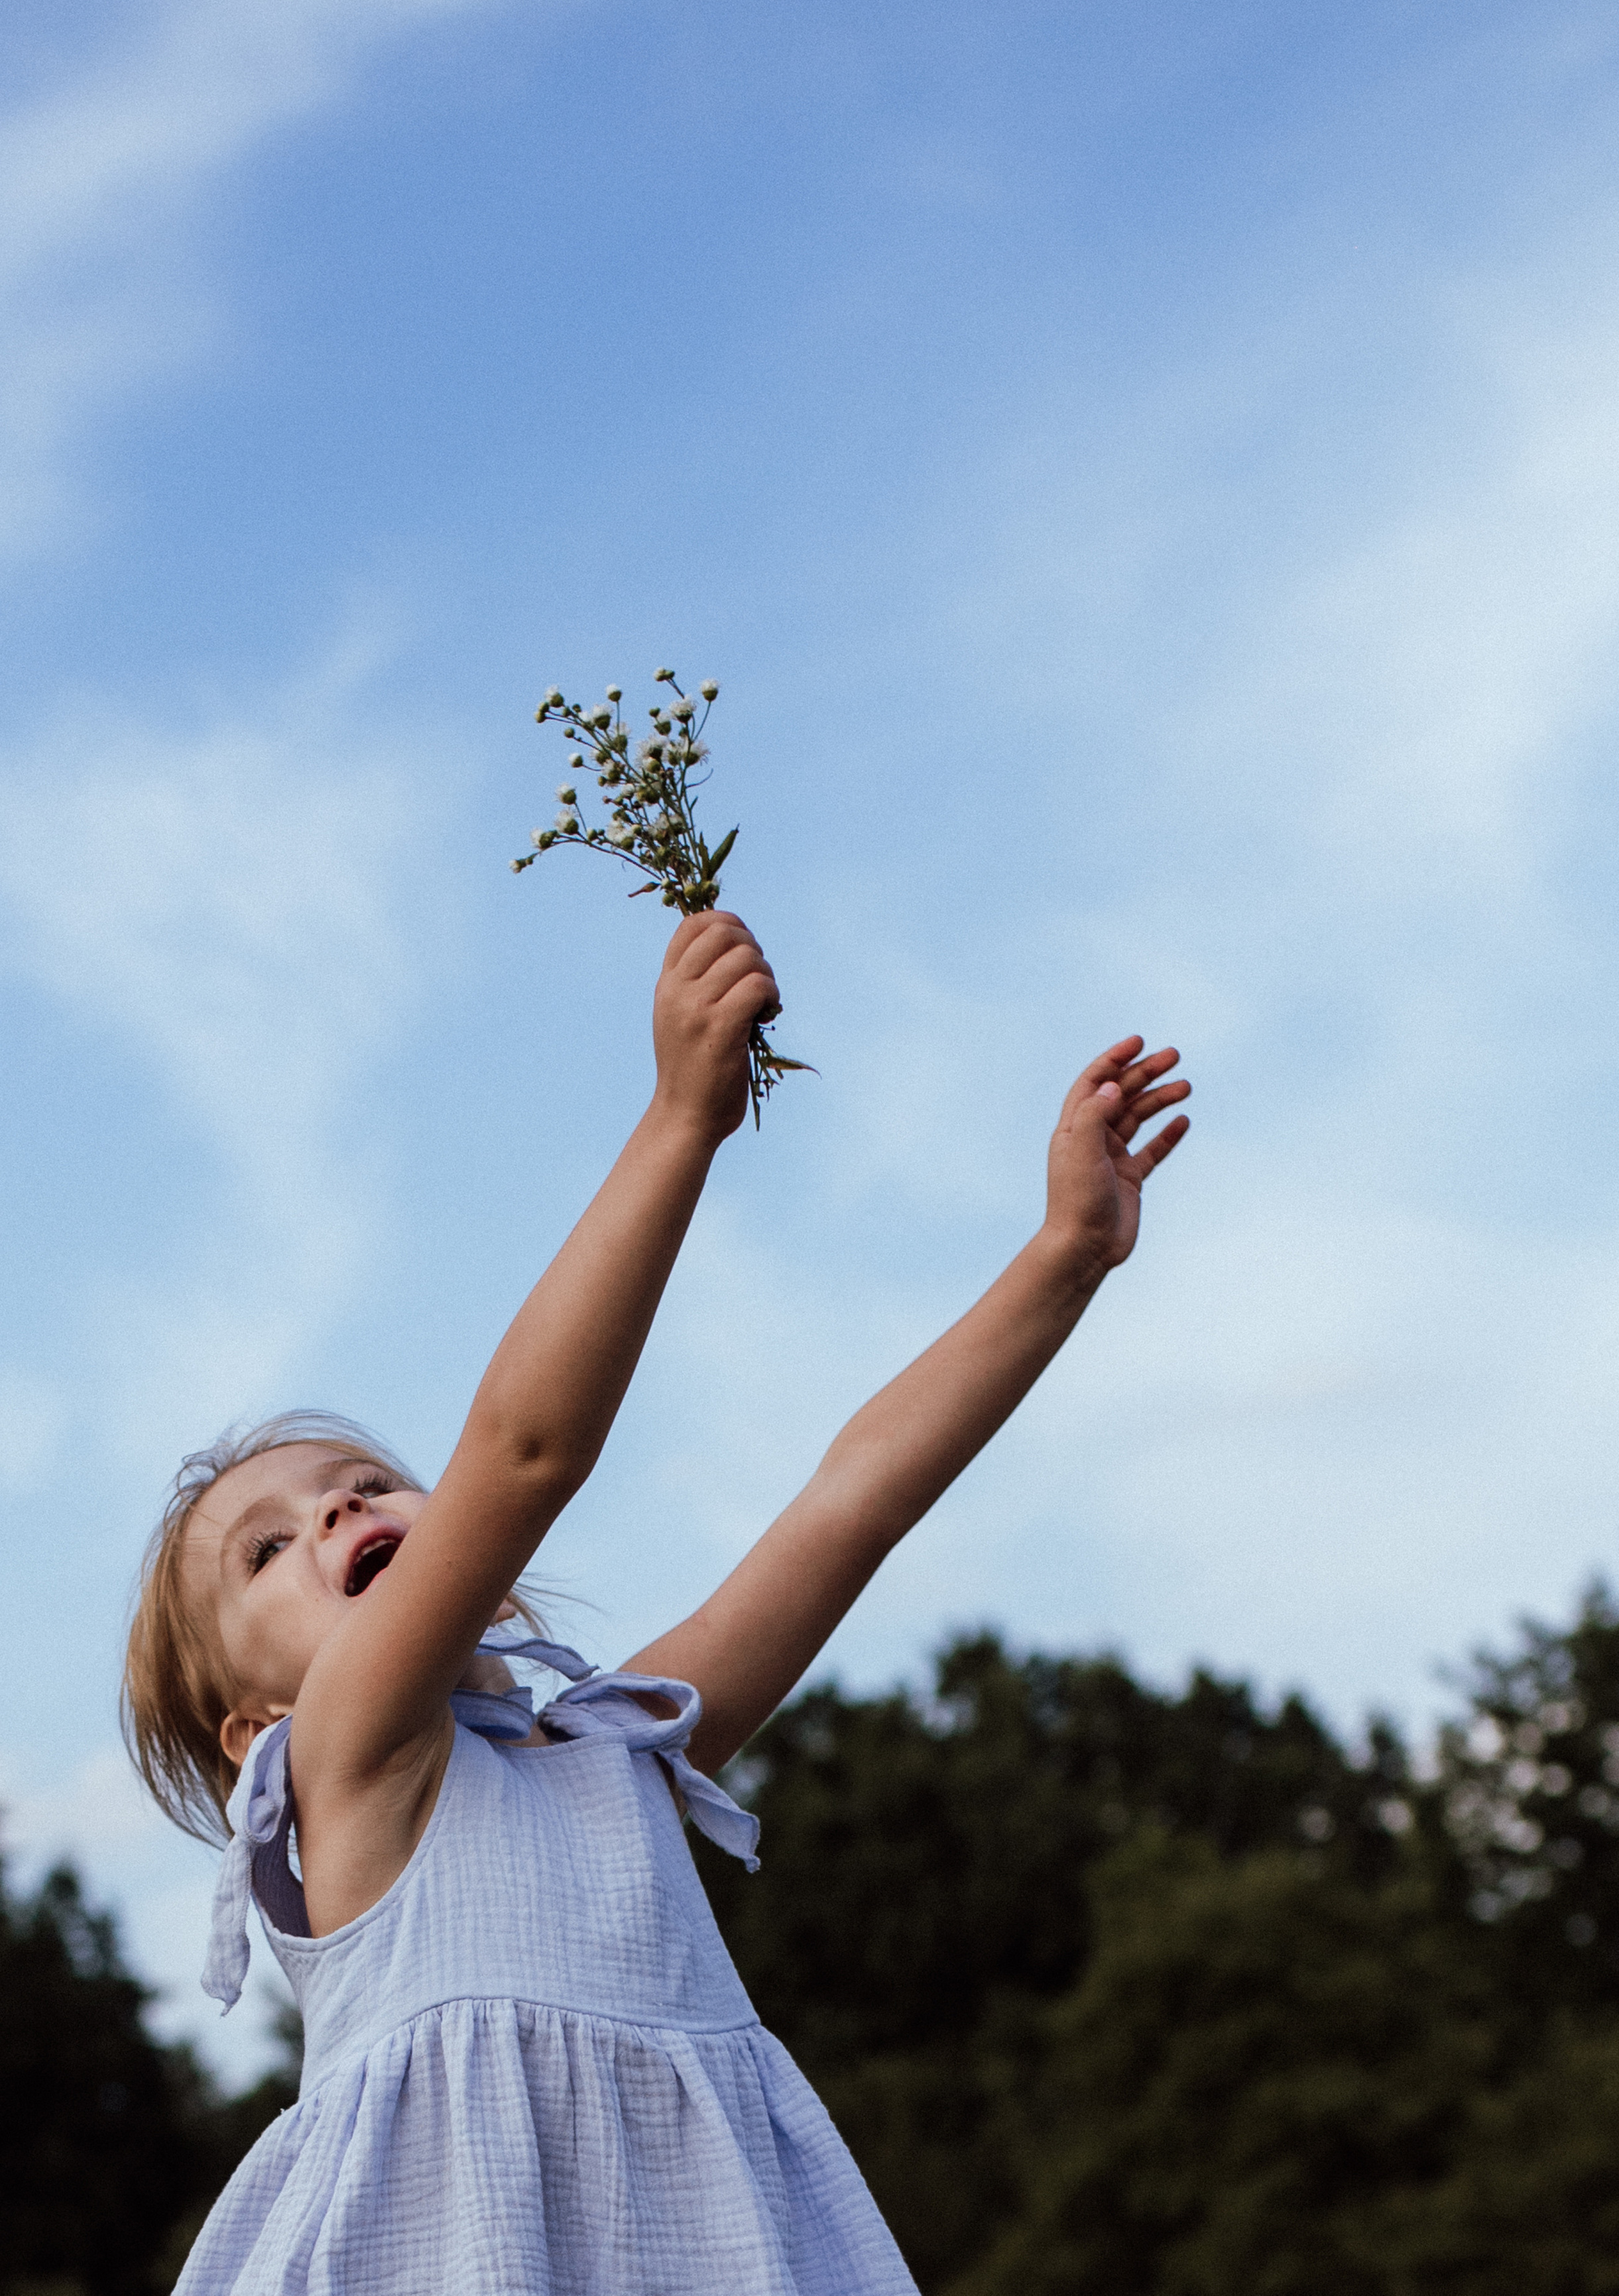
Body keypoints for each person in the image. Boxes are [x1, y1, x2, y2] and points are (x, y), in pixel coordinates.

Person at [125, 910, 1191, 2295]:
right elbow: (526, 1449)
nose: (334, 1511)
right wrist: (682, 1121)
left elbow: (848, 1505)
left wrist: (1064, 1254)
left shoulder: (618, 1759)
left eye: (366, 1483)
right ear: (252, 1729)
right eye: (265, 1551)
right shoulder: (347, 1766)